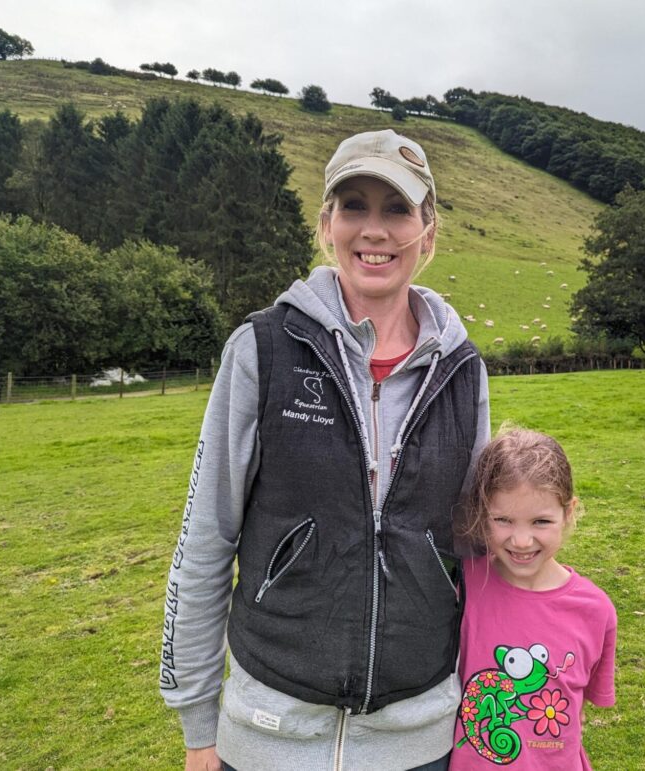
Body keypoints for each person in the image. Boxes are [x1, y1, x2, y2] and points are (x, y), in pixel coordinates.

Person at [160, 129, 490, 771]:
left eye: (397, 209)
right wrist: (199, 724)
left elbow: (478, 545)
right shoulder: (262, 350)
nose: (375, 231)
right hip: (268, 735)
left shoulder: (463, 369)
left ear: (429, 233)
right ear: (326, 225)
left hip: (420, 741)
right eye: (354, 207)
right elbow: (206, 539)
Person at [450, 428, 617, 770]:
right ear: (483, 514)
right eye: (503, 520)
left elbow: (576, 708)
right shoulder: (463, 586)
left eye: (541, 521)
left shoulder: (596, 610)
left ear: (569, 512)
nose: (522, 540)